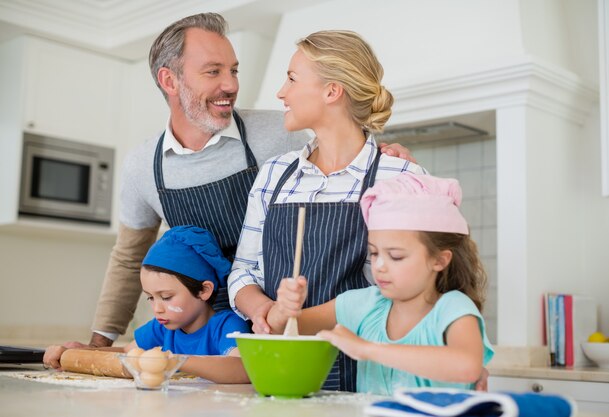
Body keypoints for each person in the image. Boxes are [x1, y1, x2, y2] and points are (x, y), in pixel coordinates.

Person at [78, 13, 414, 349]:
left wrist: (392, 158)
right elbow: (128, 258)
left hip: (285, 330)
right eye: (213, 71)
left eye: (233, 70)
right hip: (212, 332)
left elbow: (346, 144)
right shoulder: (144, 167)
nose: (231, 85)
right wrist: (99, 342)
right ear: (170, 80)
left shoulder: (280, 135)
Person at [227, 30, 428, 392]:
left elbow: (418, 293)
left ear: (332, 91)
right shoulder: (274, 175)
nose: (281, 93)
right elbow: (243, 272)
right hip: (281, 372)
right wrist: (265, 311)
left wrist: (296, 317)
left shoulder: (399, 177)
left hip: (371, 378)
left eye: (291, 78)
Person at [268, 173, 494, 395]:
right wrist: (284, 308)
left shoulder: (453, 308)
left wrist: (367, 349)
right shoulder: (365, 304)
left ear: (439, 260)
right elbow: (281, 328)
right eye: (374, 253)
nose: (380, 266)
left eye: (396, 256)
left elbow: (467, 366)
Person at [44, 226, 250, 383]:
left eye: (166, 297)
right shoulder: (161, 328)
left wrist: (176, 360)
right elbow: (127, 354)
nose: (157, 308)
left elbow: (242, 368)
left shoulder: (227, 326)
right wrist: (74, 353)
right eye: (151, 298)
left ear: (204, 290)